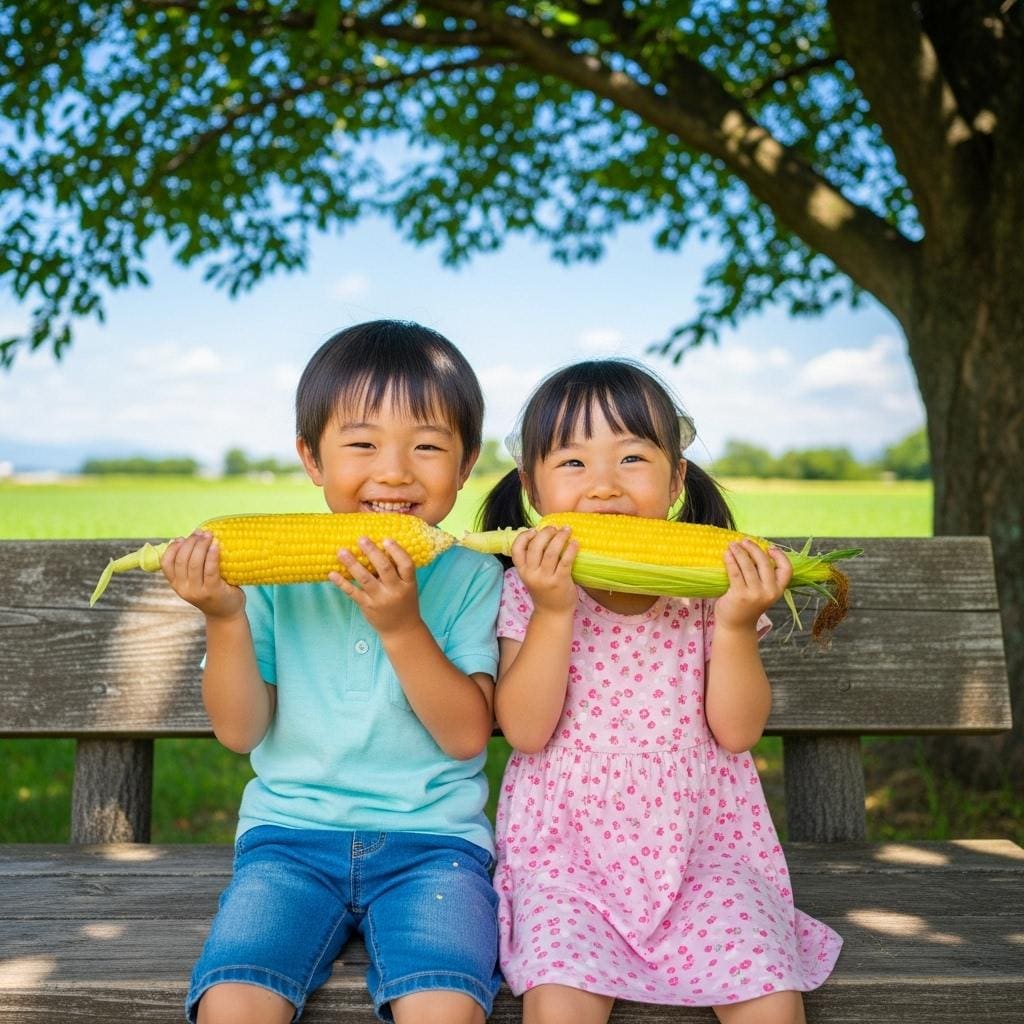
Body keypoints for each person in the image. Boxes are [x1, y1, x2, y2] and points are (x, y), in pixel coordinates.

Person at [162, 320, 504, 1024]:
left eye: (428, 446)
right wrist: (224, 617)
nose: (395, 471)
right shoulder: (271, 581)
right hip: (286, 841)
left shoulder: (473, 576)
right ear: (312, 458)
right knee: (232, 1001)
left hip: (434, 848)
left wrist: (402, 626)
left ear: (466, 465)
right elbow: (239, 730)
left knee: (445, 1008)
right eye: (362, 443)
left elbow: (468, 735)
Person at [481, 359, 842, 1024]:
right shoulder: (524, 596)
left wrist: (734, 625)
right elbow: (526, 731)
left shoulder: (709, 593)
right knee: (559, 1004)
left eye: (631, 458)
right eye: (573, 464)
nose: (604, 488)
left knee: (769, 995)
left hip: (705, 859)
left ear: (676, 478)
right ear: (531, 487)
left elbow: (737, 734)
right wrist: (554, 612)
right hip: (568, 868)